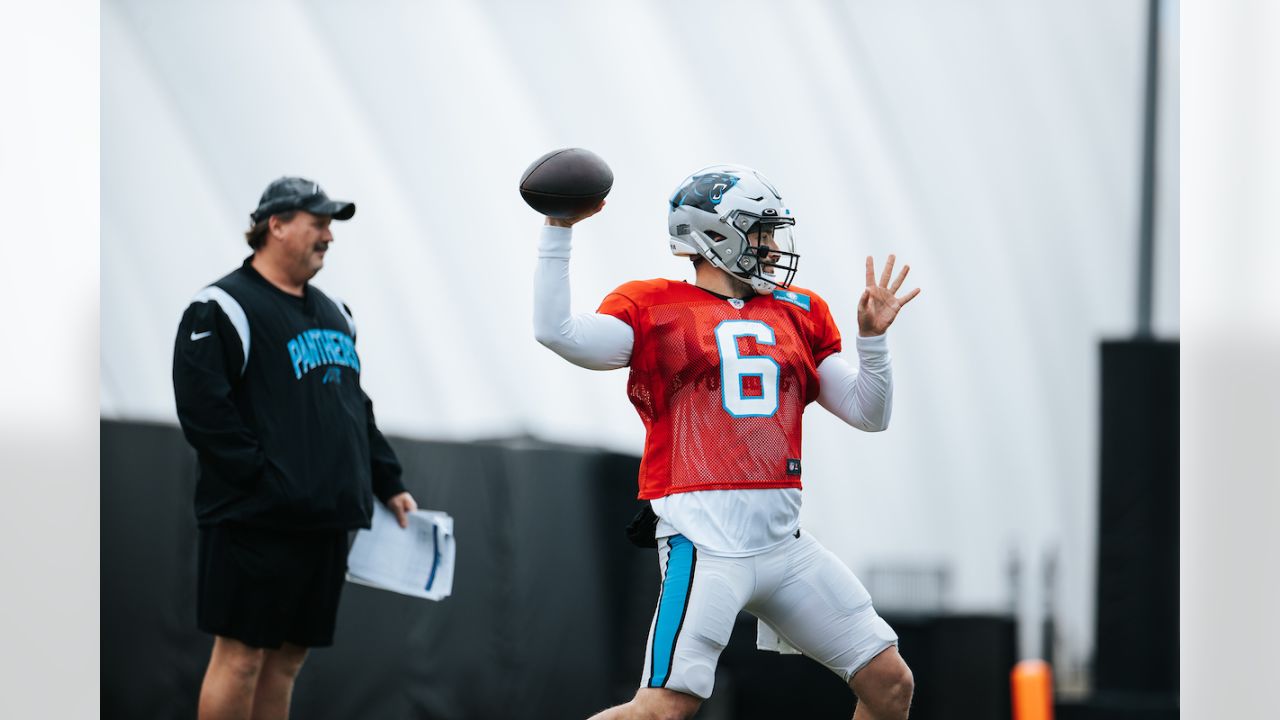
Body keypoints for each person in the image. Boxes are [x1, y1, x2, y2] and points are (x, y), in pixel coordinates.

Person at [533, 165, 920, 719]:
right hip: (704, 539)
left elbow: (867, 413)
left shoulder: (801, 311)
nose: (770, 245)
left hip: (783, 543)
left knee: (889, 683)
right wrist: (557, 227)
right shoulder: (654, 305)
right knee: (664, 708)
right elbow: (559, 333)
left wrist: (873, 340)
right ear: (713, 235)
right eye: (758, 231)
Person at [172, 176, 418, 720]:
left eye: (331, 226)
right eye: (319, 223)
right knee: (240, 657)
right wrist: (267, 483)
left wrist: (388, 480)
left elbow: (355, 408)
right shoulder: (221, 307)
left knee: (287, 659)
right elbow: (205, 415)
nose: (329, 236)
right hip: (255, 519)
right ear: (275, 226)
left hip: (324, 520)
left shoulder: (337, 313)